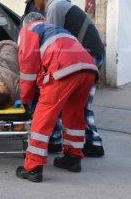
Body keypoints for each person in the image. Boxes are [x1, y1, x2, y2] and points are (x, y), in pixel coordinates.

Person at [15, 13, 98, 183]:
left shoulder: (28, 30)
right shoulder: (55, 29)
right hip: (88, 68)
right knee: (74, 115)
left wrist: (25, 98)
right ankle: (73, 158)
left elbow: (28, 67)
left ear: (25, 23)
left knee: (43, 117)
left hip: (63, 69)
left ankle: (33, 167)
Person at [25, 0, 106, 157]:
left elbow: (52, 41)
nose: (34, 6)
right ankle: (87, 143)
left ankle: (89, 143)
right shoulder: (62, 4)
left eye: (34, 1)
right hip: (89, 55)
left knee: (74, 102)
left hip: (85, 56)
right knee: (79, 102)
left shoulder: (54, 8)